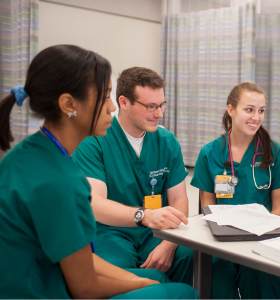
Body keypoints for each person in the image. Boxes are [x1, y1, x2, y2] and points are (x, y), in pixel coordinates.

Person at [0, 45, 197, 299]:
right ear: (69, 104)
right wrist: (142, 284)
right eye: (104, 97)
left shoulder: (31, 155)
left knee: (163, 275)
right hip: (44, 290)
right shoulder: (60, 180)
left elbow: (80, 260)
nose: (111, 108)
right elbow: (84, 287)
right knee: (183, 293)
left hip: (46, 277)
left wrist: (143, 280)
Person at [72, 67, 192, 284]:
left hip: (156, 232)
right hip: (110, 233)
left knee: (193, 256)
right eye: (151, 107)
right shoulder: (95, 140)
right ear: (124, 102)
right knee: (114, 271)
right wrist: (144, 216)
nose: (159, 114)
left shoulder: (166, 141)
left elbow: (179, 200)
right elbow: (95, 204)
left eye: (162, 105)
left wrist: (169, 245)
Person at [191, 82, 280, 298]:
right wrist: (224, 234)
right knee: (217, 274)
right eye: (249, 109)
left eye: (261, 111)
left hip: (261, 238)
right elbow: (207, 205)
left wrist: (255, 232)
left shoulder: (275, 153)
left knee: (259, 275)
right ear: (231, 109)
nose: (256, 117)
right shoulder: (211, 152)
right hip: (221, 240)